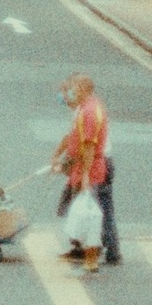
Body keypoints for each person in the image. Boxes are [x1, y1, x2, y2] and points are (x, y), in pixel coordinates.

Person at [50, 74, 115, 272]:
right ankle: (85, 252)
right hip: (83, 168)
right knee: (81, 211)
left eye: (73, 88)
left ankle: (92, 257)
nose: (70, 92)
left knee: (90, 215)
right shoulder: (83, 109)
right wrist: (60, 157)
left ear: (84, 88)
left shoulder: (90, 112)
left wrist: (86, 174)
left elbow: (88, 145)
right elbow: (73, 137)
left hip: (91, 169)